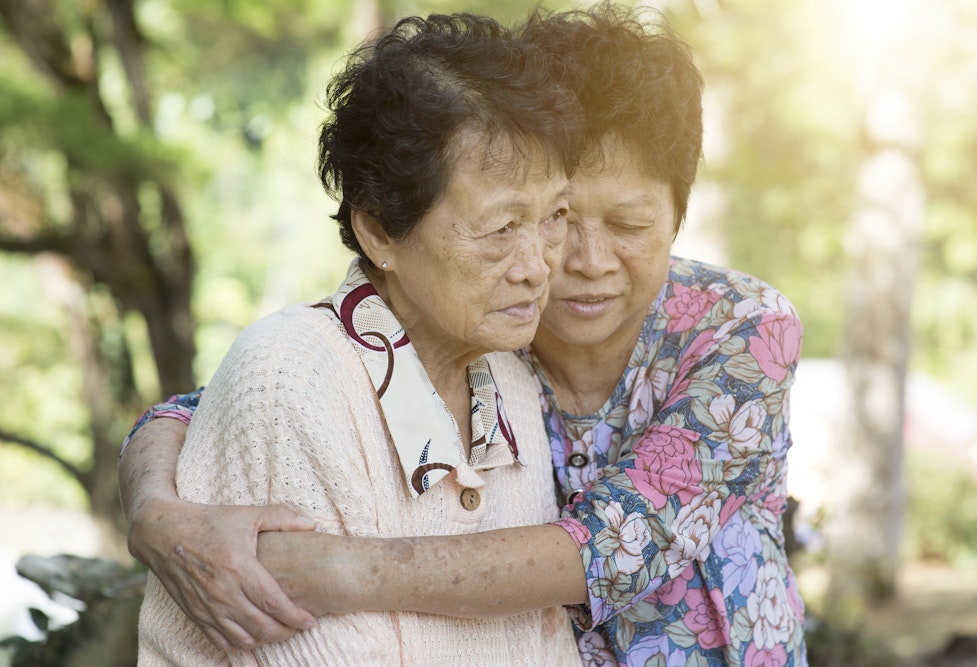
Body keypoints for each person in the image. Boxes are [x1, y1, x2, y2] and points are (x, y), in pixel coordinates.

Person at [121, 4, 810, 665]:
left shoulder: (740, 329)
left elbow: (614, 545)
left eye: (629, 226)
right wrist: (157, 516)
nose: (581, 263)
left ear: (678, 216)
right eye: (560, 217)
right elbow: (220, 403)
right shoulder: (494, 325)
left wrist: (338, 566)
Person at [133, 11, 588, 666]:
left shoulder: (510, 383)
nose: (538, 263)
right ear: (378, 229)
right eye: (500, 228)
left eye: (553, 217)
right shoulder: (292, 376)